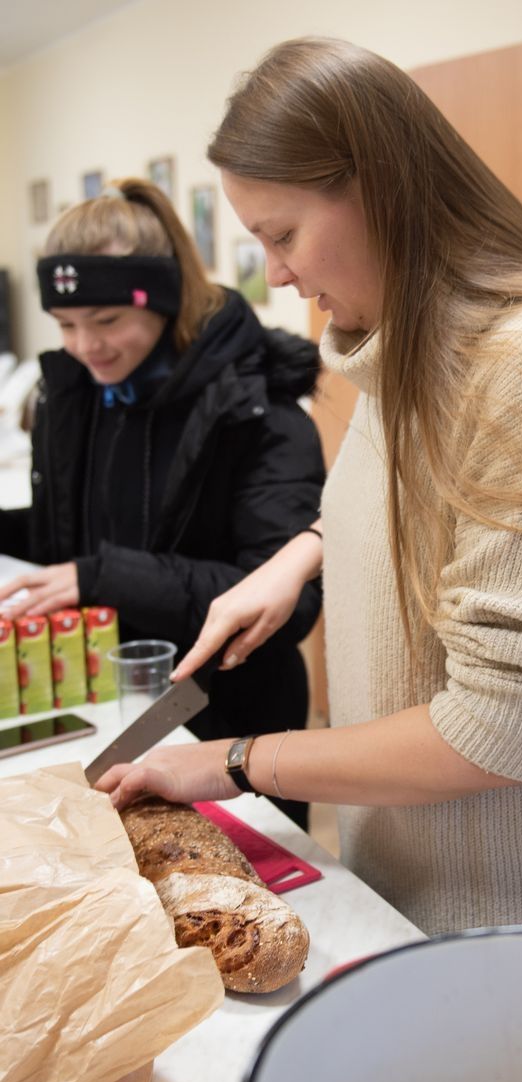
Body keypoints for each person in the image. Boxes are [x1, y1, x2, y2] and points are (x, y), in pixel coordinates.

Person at [97, 39, 522, 941]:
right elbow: (430, 506)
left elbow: (496, 731)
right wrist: (301, 556)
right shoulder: (405, 344)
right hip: (417, 898)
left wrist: (236, 761)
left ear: (379, 188)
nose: (278, 275)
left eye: (283, 236)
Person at [0, 178, 325, 827]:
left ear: (166, 300)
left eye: (107, 321)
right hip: (109, 709)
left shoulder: (259, 411)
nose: (85, 346)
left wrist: (100, 577)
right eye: (66, 325)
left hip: (232, 724)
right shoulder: (76, 394)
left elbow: (287, 606)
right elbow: (68, 538)